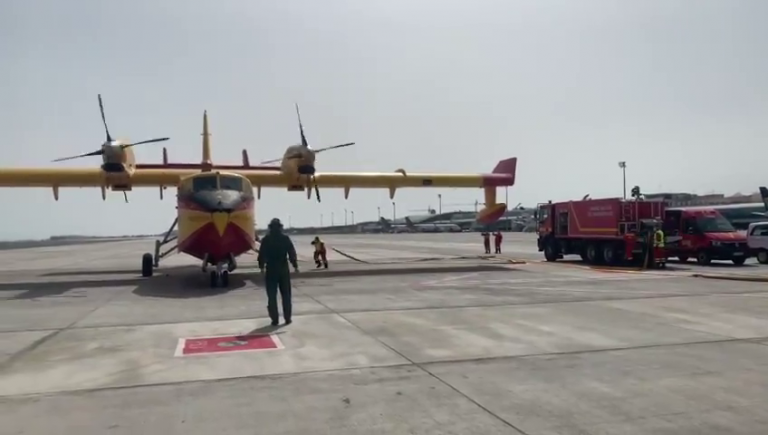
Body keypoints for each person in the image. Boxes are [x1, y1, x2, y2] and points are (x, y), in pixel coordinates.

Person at [257, 218, 299, 326]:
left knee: (272, 296)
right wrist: (295, 265)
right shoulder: (285, 238)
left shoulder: (266, 239)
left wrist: (261, 267)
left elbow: (262, 254)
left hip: (271, 269)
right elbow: (292, 253)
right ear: (280, 227)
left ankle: (274, 319)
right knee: (286, 295)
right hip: (283, 268)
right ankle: (287, 318)